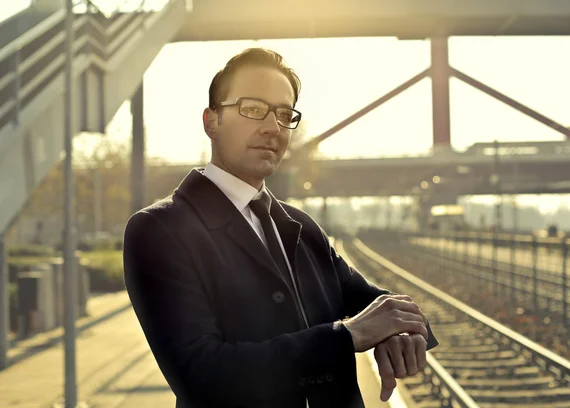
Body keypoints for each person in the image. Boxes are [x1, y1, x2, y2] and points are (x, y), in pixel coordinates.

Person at [123, 47, 439, 408]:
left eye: (285, 114)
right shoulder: (159, 230)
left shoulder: (301, 226)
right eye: (253, 109)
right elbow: (201, 373)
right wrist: (346, 336)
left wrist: (400, 330)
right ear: (212, 121)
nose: (272, 127)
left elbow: (378, 303)